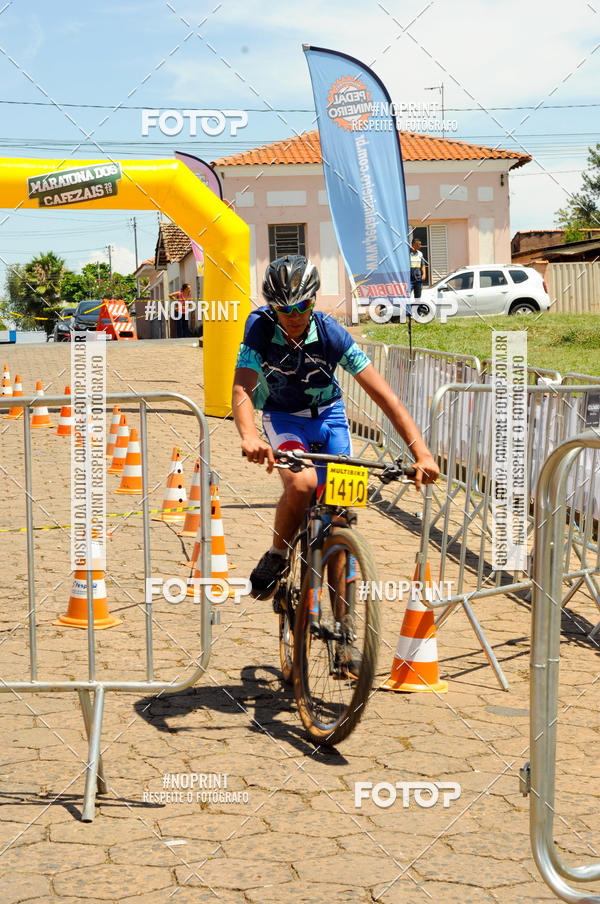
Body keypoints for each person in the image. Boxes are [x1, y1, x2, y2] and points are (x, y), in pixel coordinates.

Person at [232, 254, 440, 611]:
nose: (294, 316)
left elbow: (385, 396)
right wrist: (249, 436)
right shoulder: (260, 328)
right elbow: (243, 389)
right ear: (272, 308)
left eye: (302, 306)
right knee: (302, 485)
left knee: (339, 515)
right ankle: (278, 553)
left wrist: (421, 452)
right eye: (284, 309)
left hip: (330, 416)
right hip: (284, 417)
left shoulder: (332, 334)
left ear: (313, 300)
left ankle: (342, 635)